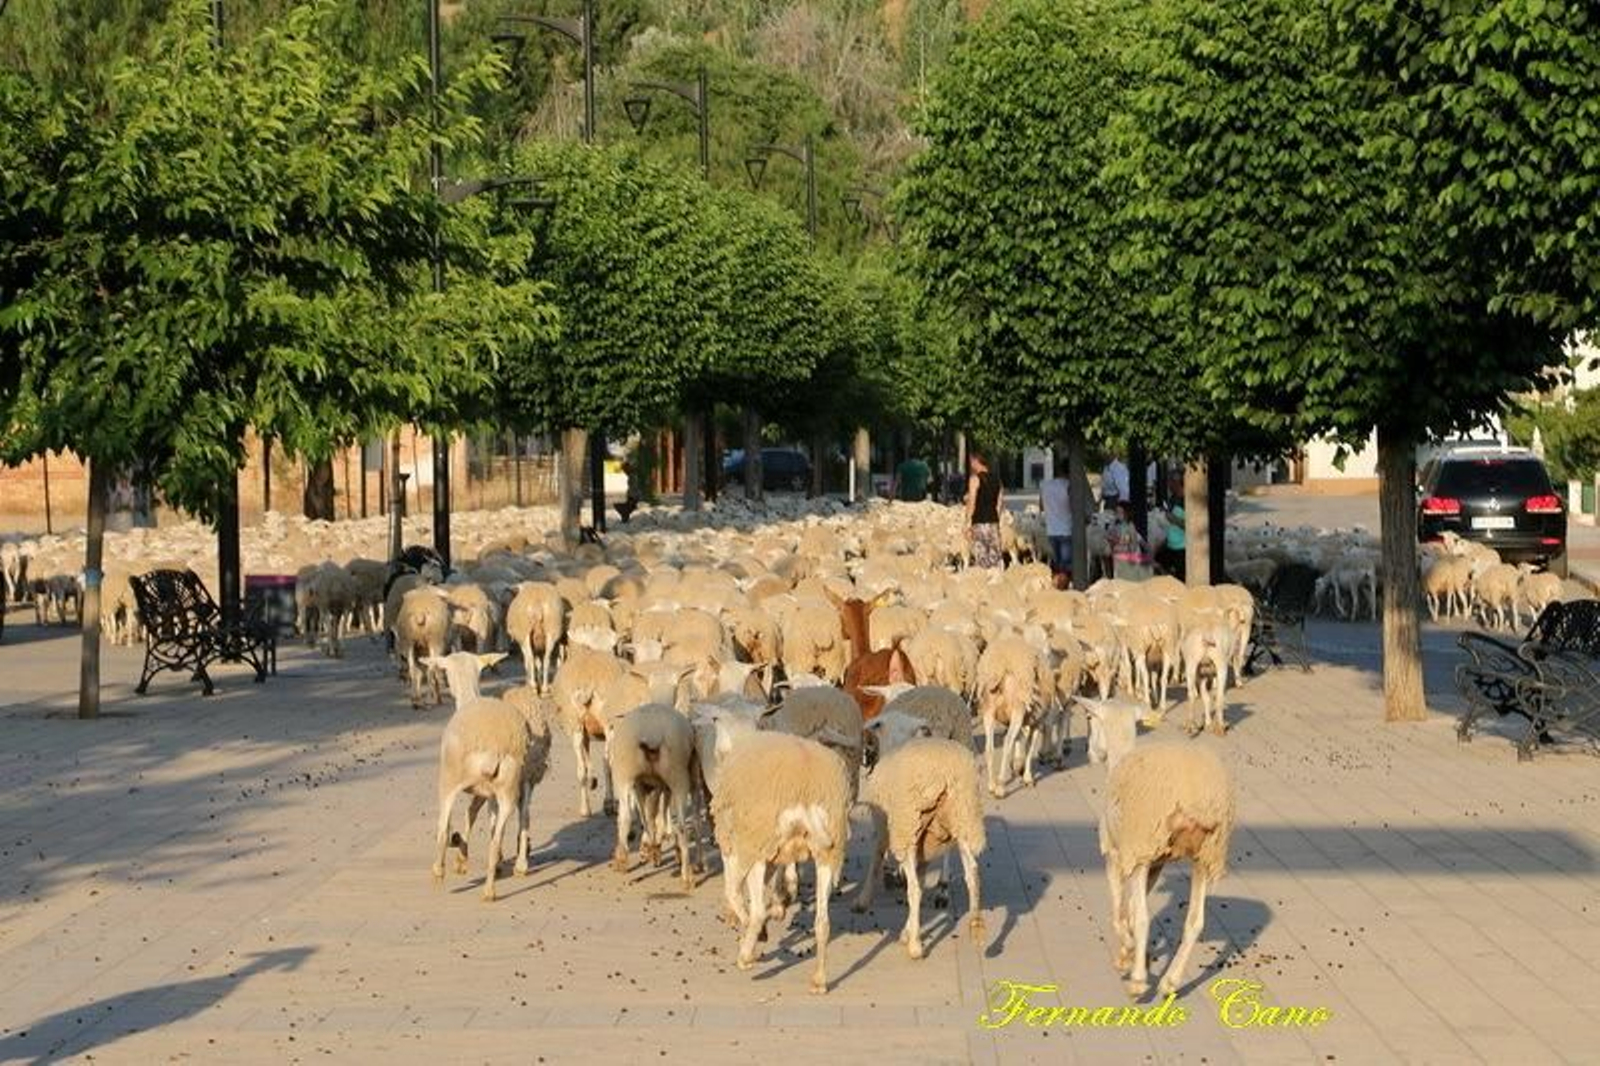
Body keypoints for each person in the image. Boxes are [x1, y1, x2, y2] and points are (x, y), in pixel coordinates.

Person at [965, 450, 1004, 569]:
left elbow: (972, 502)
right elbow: (999, 504)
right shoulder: (998, 480)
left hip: (979, 523)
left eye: (971, 462)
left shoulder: (974, 479)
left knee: (982, 559)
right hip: (993, 522)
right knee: (995, 558)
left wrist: (967, 523)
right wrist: (996, 520)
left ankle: (984, 585)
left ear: (977, 462)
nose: (971, 465)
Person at [1038, 457, 1072, 579]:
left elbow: (1041, 506)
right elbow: (1074, 507)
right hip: (1066, 530)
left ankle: (1057, 590)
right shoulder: (1069, 486)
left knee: (1057, 564)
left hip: (1051, 530)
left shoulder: (1045, 485)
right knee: (1066, 566)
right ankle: (1062, 592)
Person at [1108, 499, 1151, 581]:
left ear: (1126, 514)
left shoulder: (1130, 527)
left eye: (1120, 512)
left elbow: (1133, 546)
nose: (1117, 515)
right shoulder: (1115, 527)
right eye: (1116, 512)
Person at [1156, 474, 1186, 579]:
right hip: (1170, 545)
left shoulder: (1187, 501)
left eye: (1170, 482)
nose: (1168, 485)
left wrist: (1173, 519)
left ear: (1177, 483)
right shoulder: (1173, 498)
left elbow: (1191, 526)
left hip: (1182, 548)